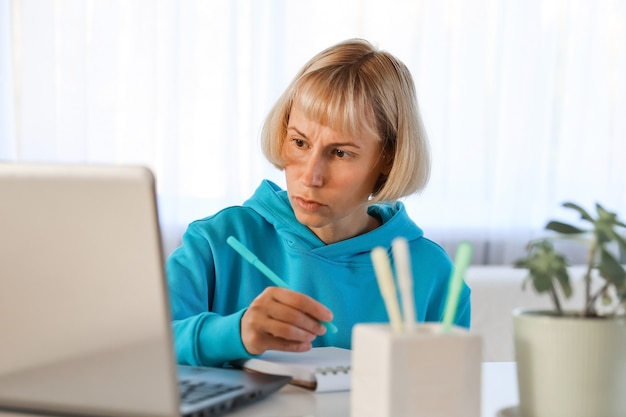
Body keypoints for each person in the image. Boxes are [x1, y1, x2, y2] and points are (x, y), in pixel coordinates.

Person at [166, 38, 471, 367]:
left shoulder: (433, 274)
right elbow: (139, 347)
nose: (310, 176)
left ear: (388, 157)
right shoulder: (218, 241)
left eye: (340, 153)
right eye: (299, 142)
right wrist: (235, 332)